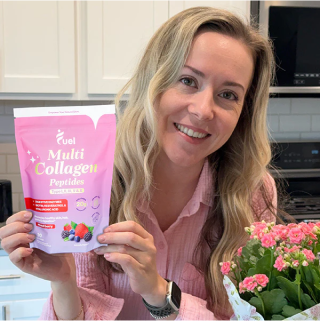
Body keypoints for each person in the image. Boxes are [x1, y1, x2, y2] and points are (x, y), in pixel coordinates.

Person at [0, 6, 281, 321]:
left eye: (228, 94)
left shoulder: (252, 194)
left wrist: (158, 292)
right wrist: (63, 281)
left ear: (244, 110)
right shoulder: (92, 180)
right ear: (154, 81)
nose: (203, 110)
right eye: (188, 80)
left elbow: (251, 315)